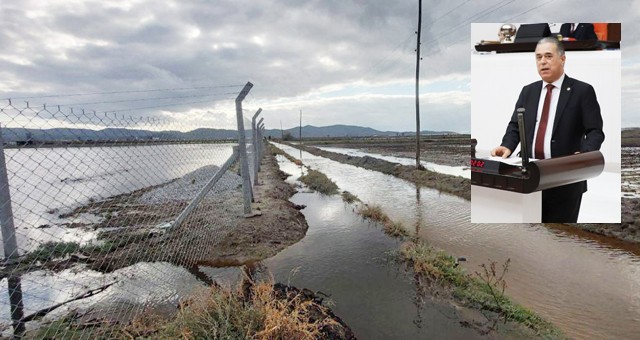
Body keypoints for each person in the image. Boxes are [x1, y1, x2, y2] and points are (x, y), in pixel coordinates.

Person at [491, 37, 604, 223]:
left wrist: (583, 155)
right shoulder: (528, 91)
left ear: (562, 59)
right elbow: (515, 126)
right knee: (529, 235)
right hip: (528, 176)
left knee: (560, 238)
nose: (542, 61)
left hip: (565, 178)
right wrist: (507, 146)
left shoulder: (582, 91)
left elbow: (595, 131)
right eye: (538, 57)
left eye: (548, 56)